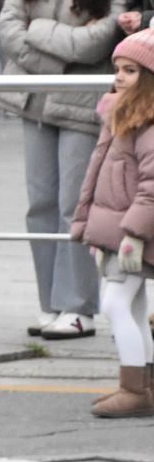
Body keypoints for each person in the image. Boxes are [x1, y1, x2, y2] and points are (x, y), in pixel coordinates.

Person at [0, 0, 139, 342]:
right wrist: (52, 51)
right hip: (34, 99)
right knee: (39, 205)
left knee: (74, 206)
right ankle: (50, 303)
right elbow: (8, 26)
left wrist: (38, 33)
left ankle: (78, 308)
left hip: (79, 104)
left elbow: (96, 42)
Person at [70, 31, 154, 417]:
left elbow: (151, 187)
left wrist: (133, 234)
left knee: (115, 304)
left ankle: (133, 389)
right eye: (117, 69)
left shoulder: (148, 123)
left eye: (131, 70)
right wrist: (92, 230)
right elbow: (97, 177)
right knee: (132, 307)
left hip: (133, 233)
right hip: (118, 232)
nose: (119, 76)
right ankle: (144, 386)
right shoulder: (119, 113)